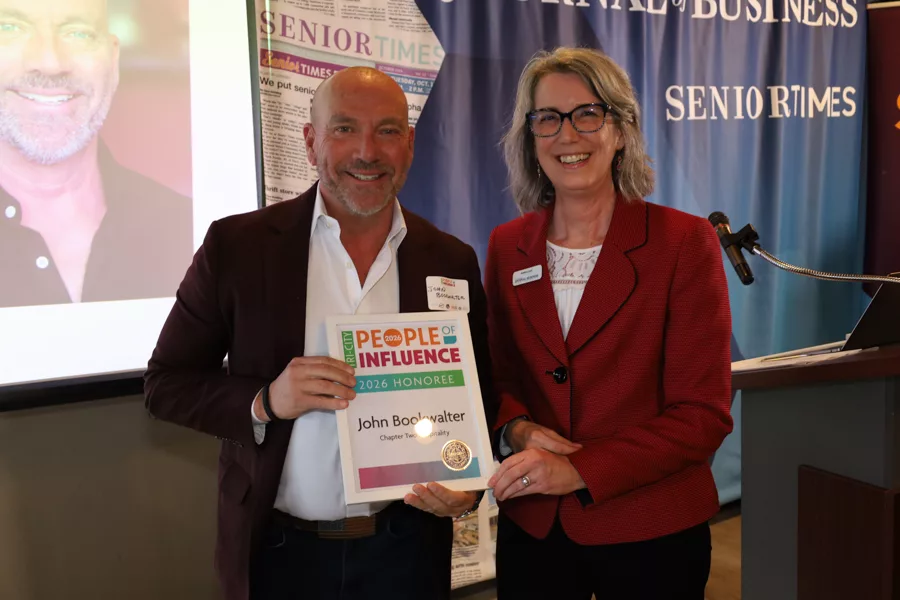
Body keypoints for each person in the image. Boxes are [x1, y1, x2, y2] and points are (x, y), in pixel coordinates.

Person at [144, 66, 491, 600]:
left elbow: (478, 394)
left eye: (388, 130)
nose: (367, 152)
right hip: (280, 553)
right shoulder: (238, 247)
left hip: (407, 551)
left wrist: (467, 489)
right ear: (311, 141)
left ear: (411, 144)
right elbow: (167, 384)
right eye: (345, 129)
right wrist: (266, 400)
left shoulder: (450, 258)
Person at [484, 47, 734, 600]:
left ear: (621, 130)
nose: (567, 135)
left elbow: (702, 415)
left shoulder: (683, 242)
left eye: (587, 114)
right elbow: (498, 380)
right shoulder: (507, 247)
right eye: (547, 118)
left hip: (653, 529)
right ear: (530, 137)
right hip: (535, 529)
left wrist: (579, 470)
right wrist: (518, 430)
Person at [0, 0, 192, 308]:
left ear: (113, 61)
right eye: (10, 28)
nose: (50, 61)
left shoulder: (188, 228)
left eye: (78, 33)